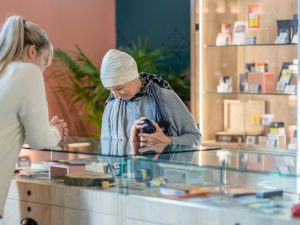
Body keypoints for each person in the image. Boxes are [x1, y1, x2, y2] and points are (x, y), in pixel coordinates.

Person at [0, 16, 68, 219]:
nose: (42, 70)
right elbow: (39, 140)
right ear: (32, 51)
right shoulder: (27, 71)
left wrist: (46, 129)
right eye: (44, 61)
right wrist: (57, 131)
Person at [100, 49, 201, 146]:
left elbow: (196, 138)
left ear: (134, 77)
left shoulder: (166, 97)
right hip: (126, 164)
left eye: (120, 88)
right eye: (111, 90)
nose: (116, 95)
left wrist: (167, 140)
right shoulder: (111, 107)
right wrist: (132, 142)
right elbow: (106, 150)